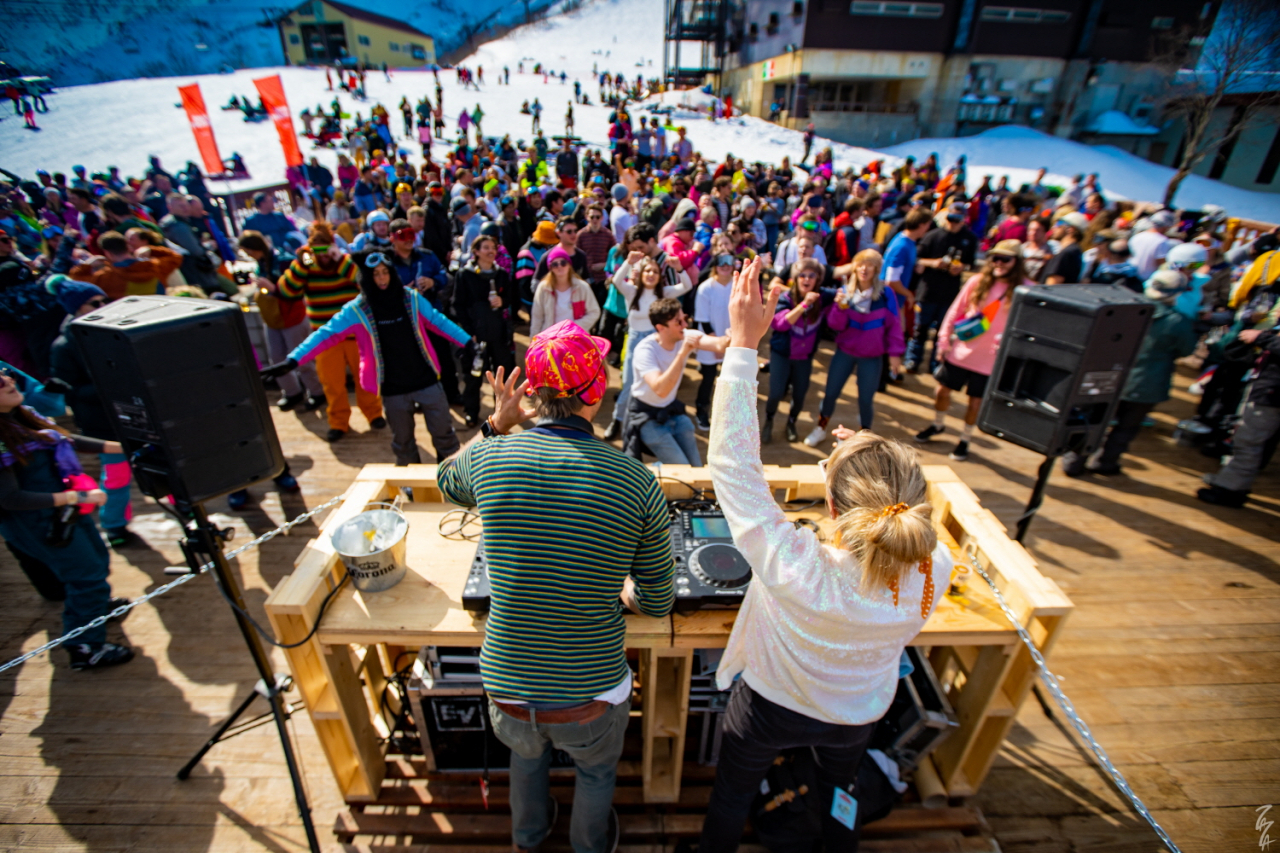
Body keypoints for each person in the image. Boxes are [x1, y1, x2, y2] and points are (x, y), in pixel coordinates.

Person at [697, 255, 951, 853]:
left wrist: (742, 344)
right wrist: (869, 454)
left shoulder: (797, 565)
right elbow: (896, 500)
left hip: (770, 705)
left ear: (833, 510)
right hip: (857, 713)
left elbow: (732, 464)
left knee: (734, 791)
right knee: (841, 789)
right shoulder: (932, 566)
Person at [436, 324, 676, 853]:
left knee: (526, 756)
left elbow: (446, 482)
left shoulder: (490, 457)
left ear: (534, 394)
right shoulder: (635, 481)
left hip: (507, 689)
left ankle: (528, 838)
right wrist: (624, 595)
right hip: (588, 695)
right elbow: (658, 601)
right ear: (596, 392)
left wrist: (495, 425)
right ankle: (589, 846)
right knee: (594, 774)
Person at [269, 252, 469, 464]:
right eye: (375, 274)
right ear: (366, 278)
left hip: (427, 381)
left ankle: (453, 485)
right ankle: (411, 490)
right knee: (403, 444)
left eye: (385, 273)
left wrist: (468, 342)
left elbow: (439, 322)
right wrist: (293, 360)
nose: (382, 279)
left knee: (445, 438)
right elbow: (325, 334)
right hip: (393, 390)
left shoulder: (411, 298)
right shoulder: (357, 309)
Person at [0, 368, 135, 670]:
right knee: (85, 577)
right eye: (0, 382)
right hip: (38, 521)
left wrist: (127, 449)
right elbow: (9, 499)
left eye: (5, 373)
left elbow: (66, 440)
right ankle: (85, 648)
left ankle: (95, 610)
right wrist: (75, 498)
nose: (9, 380)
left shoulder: (21, 415)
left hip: (65, 512)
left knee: (97, 562)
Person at [1061, 270, 1198, 478]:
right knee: (1126, 427)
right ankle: (1106, 462)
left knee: (1093, 420)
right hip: (1147, 382)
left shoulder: (1126, 309)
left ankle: (1074, 461)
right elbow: (1186, 349)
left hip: (1109, 375)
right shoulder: (1177, 321)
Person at [915, 240, 1025, 462]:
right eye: (995, 258)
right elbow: (955, 310)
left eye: (1006, 259)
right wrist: (943, 342)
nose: (999, 263)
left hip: (990, 360)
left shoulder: (1025, 289)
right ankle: (938, 424)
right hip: (962, 351)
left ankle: (964, 439)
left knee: (975, 403)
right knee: (941, 392)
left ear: (1017, 262)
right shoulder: (977, 281)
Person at [274, 222, 385, 442]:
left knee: (366, 378)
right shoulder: (306, 267)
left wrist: (341, 259)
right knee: (332, 384)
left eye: (326, 250)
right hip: (326, 338)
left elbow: (364, 281)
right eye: (317, 251)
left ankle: (374, 414)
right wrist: (301, 263)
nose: (322, 256)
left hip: (356, 335)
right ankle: (338, 422)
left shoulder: (345, 263)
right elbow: (285, 291)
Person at [804, 249, 904, 445]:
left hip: (872, 356)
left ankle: (863, 439)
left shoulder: (885, 294)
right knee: (831, 392)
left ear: (876, 269)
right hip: (845, 352)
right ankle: (821, 428)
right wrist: (840, 309)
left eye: (869, 264)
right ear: (854, 267)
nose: (864, 268)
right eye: (860, 263)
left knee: (866, 400)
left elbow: (894, 325)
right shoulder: (845, 293)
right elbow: (835, 325)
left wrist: (895, 353)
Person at [622, 297, 725, 464]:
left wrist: (733, 335)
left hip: (671, 410)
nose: (685, 325)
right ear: (661, 328)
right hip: (645, 415)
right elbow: (661, 389)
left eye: (685, 318)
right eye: (678, 322)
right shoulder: (645, 350)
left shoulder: (684, 335)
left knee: (697, 468)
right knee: (682, 470)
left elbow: (719, 345)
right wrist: (683, 353)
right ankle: (650, 475)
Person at [763, 257, 830, 444]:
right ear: (795, 278)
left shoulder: (822, 297)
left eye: (811, 276)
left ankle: (791, 423)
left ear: (818, 280)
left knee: (800, 395)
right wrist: (803, 305)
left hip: (804, 358)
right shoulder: (785, 299)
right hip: (781, 355)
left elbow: (843, 294)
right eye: (802, 275)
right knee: (776, 393)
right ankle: (769, 421)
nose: (806, 280)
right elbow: (779, 324)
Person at [453, 235, 518, 429]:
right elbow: (458, 305)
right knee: (473, 377)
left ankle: (502, 412)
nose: (491, 251)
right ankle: (471, 413)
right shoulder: (465, 274)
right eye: (486, 247)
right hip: (475, 334)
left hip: (497, 334)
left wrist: (503, 301)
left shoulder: (501, 274)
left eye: (493, 247)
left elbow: (511, 296)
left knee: (502, 376)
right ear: (476, 252)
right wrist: (468, 332)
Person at [907, 204, 977, 373]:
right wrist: (933, 263)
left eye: (957, 219)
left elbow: (972, 264)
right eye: (950, 218)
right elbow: (917, 258)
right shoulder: (932, 236)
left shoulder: (969, 239)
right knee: (920, 329)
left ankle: (935, 363)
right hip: (928, 290)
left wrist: (962, 267)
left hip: (949, 293)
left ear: (964, 220)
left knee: (942, 331)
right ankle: (913, 360)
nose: (953, 223)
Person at [694, 253, 735, 431]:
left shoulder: (737, 286)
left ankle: (727, 414)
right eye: (721, 263)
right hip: (710, 342)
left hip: (733, 342)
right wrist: (717, 345)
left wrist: (730, 343)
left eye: (729, 262)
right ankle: (701, 410)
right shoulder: (705, 288)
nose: (725, 266)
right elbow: (702, 320)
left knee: (730, 380)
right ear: (714, 265)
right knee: (708, 379)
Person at [529, 245, 601, 337]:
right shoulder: (543, 288)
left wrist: (573, 328)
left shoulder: (582, 287)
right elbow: (537, 317)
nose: (559, 266)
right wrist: (534, 342)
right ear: (550, 268)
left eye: (563, 263)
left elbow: (594, 312)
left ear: (569, 265)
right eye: (555, 264)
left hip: (576, 339)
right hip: (551, 340)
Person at [1041, 212, 1087, 284]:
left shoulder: (1066, 253)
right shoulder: (1076, 251)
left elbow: (1050, 287)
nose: (1054, 227)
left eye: (1059, 223)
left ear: (1071, 229)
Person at [1129, 210, 1177, 279]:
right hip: (1148, 277)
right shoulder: (1161, 240)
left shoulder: (1137, 236)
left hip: (1131, 274)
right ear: (1167, 226)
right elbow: (1162, 264)